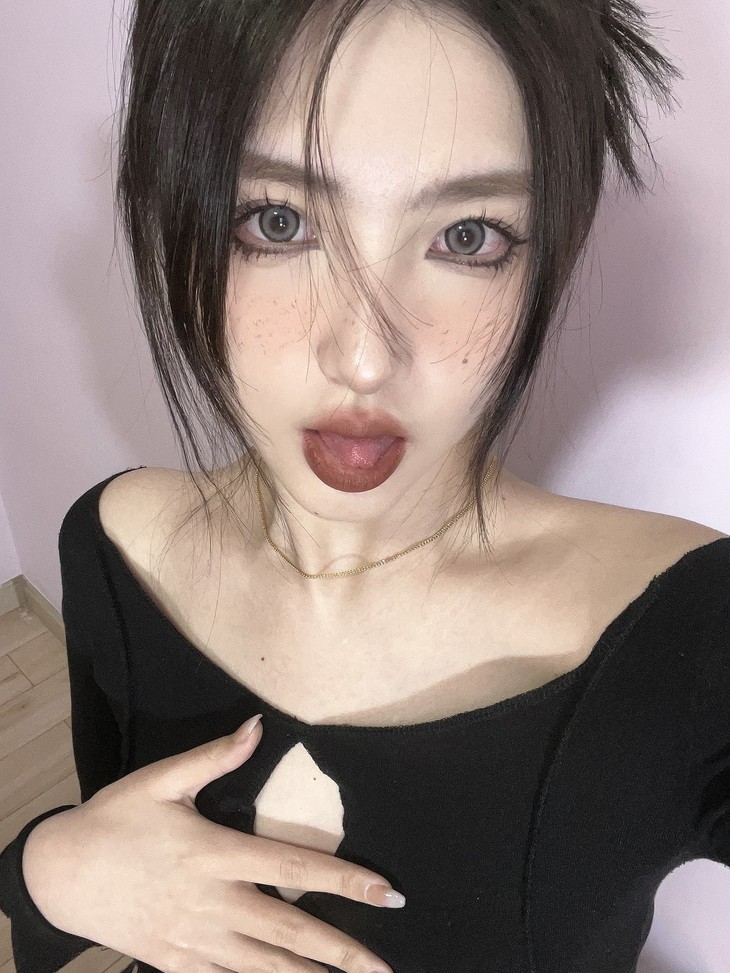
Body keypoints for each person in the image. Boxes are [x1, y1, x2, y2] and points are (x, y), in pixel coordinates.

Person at [1, 0, 728, 971]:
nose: (363, 356)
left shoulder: (691, 631)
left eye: (467, 237)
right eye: (279, 221)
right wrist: (45, 869)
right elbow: (125, 865)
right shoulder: (115, 544)